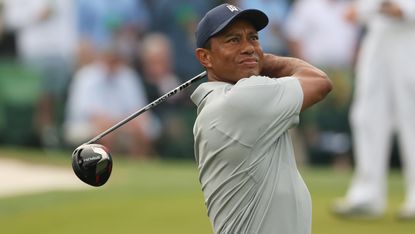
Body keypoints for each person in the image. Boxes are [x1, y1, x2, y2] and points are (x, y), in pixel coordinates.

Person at [191, 4, 332, 233]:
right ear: (205, 57)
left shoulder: (221, 101)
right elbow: (320, 81)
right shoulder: (242, 100)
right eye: (233, 40)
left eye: (254, 38)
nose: (248, 47)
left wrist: (254, 60)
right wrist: (266, 61)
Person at [332, 0, 415, 219]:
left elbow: (397, 9)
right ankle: (367, 196)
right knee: (366, 117)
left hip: (409, 38)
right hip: (377, 39)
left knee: (412, 119)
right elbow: (355, 12)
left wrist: (399, 9)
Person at [285, 0, 360, 169]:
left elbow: (356, 41)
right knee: (311, 117)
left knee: (343, 118)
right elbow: (294, 37)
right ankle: (306, 160)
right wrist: (303, 68)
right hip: (314, 69)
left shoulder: (350, 7)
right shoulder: (307, 5)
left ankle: (341, 160)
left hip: (344, 71)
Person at [63, 44, 159, 158]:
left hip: (121, 123)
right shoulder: (85, 76)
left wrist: (131, 123)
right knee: (105, 130)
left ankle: (139, 162)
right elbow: (83, 111)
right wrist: (111, 123)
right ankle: (105, 163)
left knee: (143, 127)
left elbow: (138, 109)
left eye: (115, 60)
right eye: (108, 60)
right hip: (86, 124)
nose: (111, 65)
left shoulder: (128, 76)